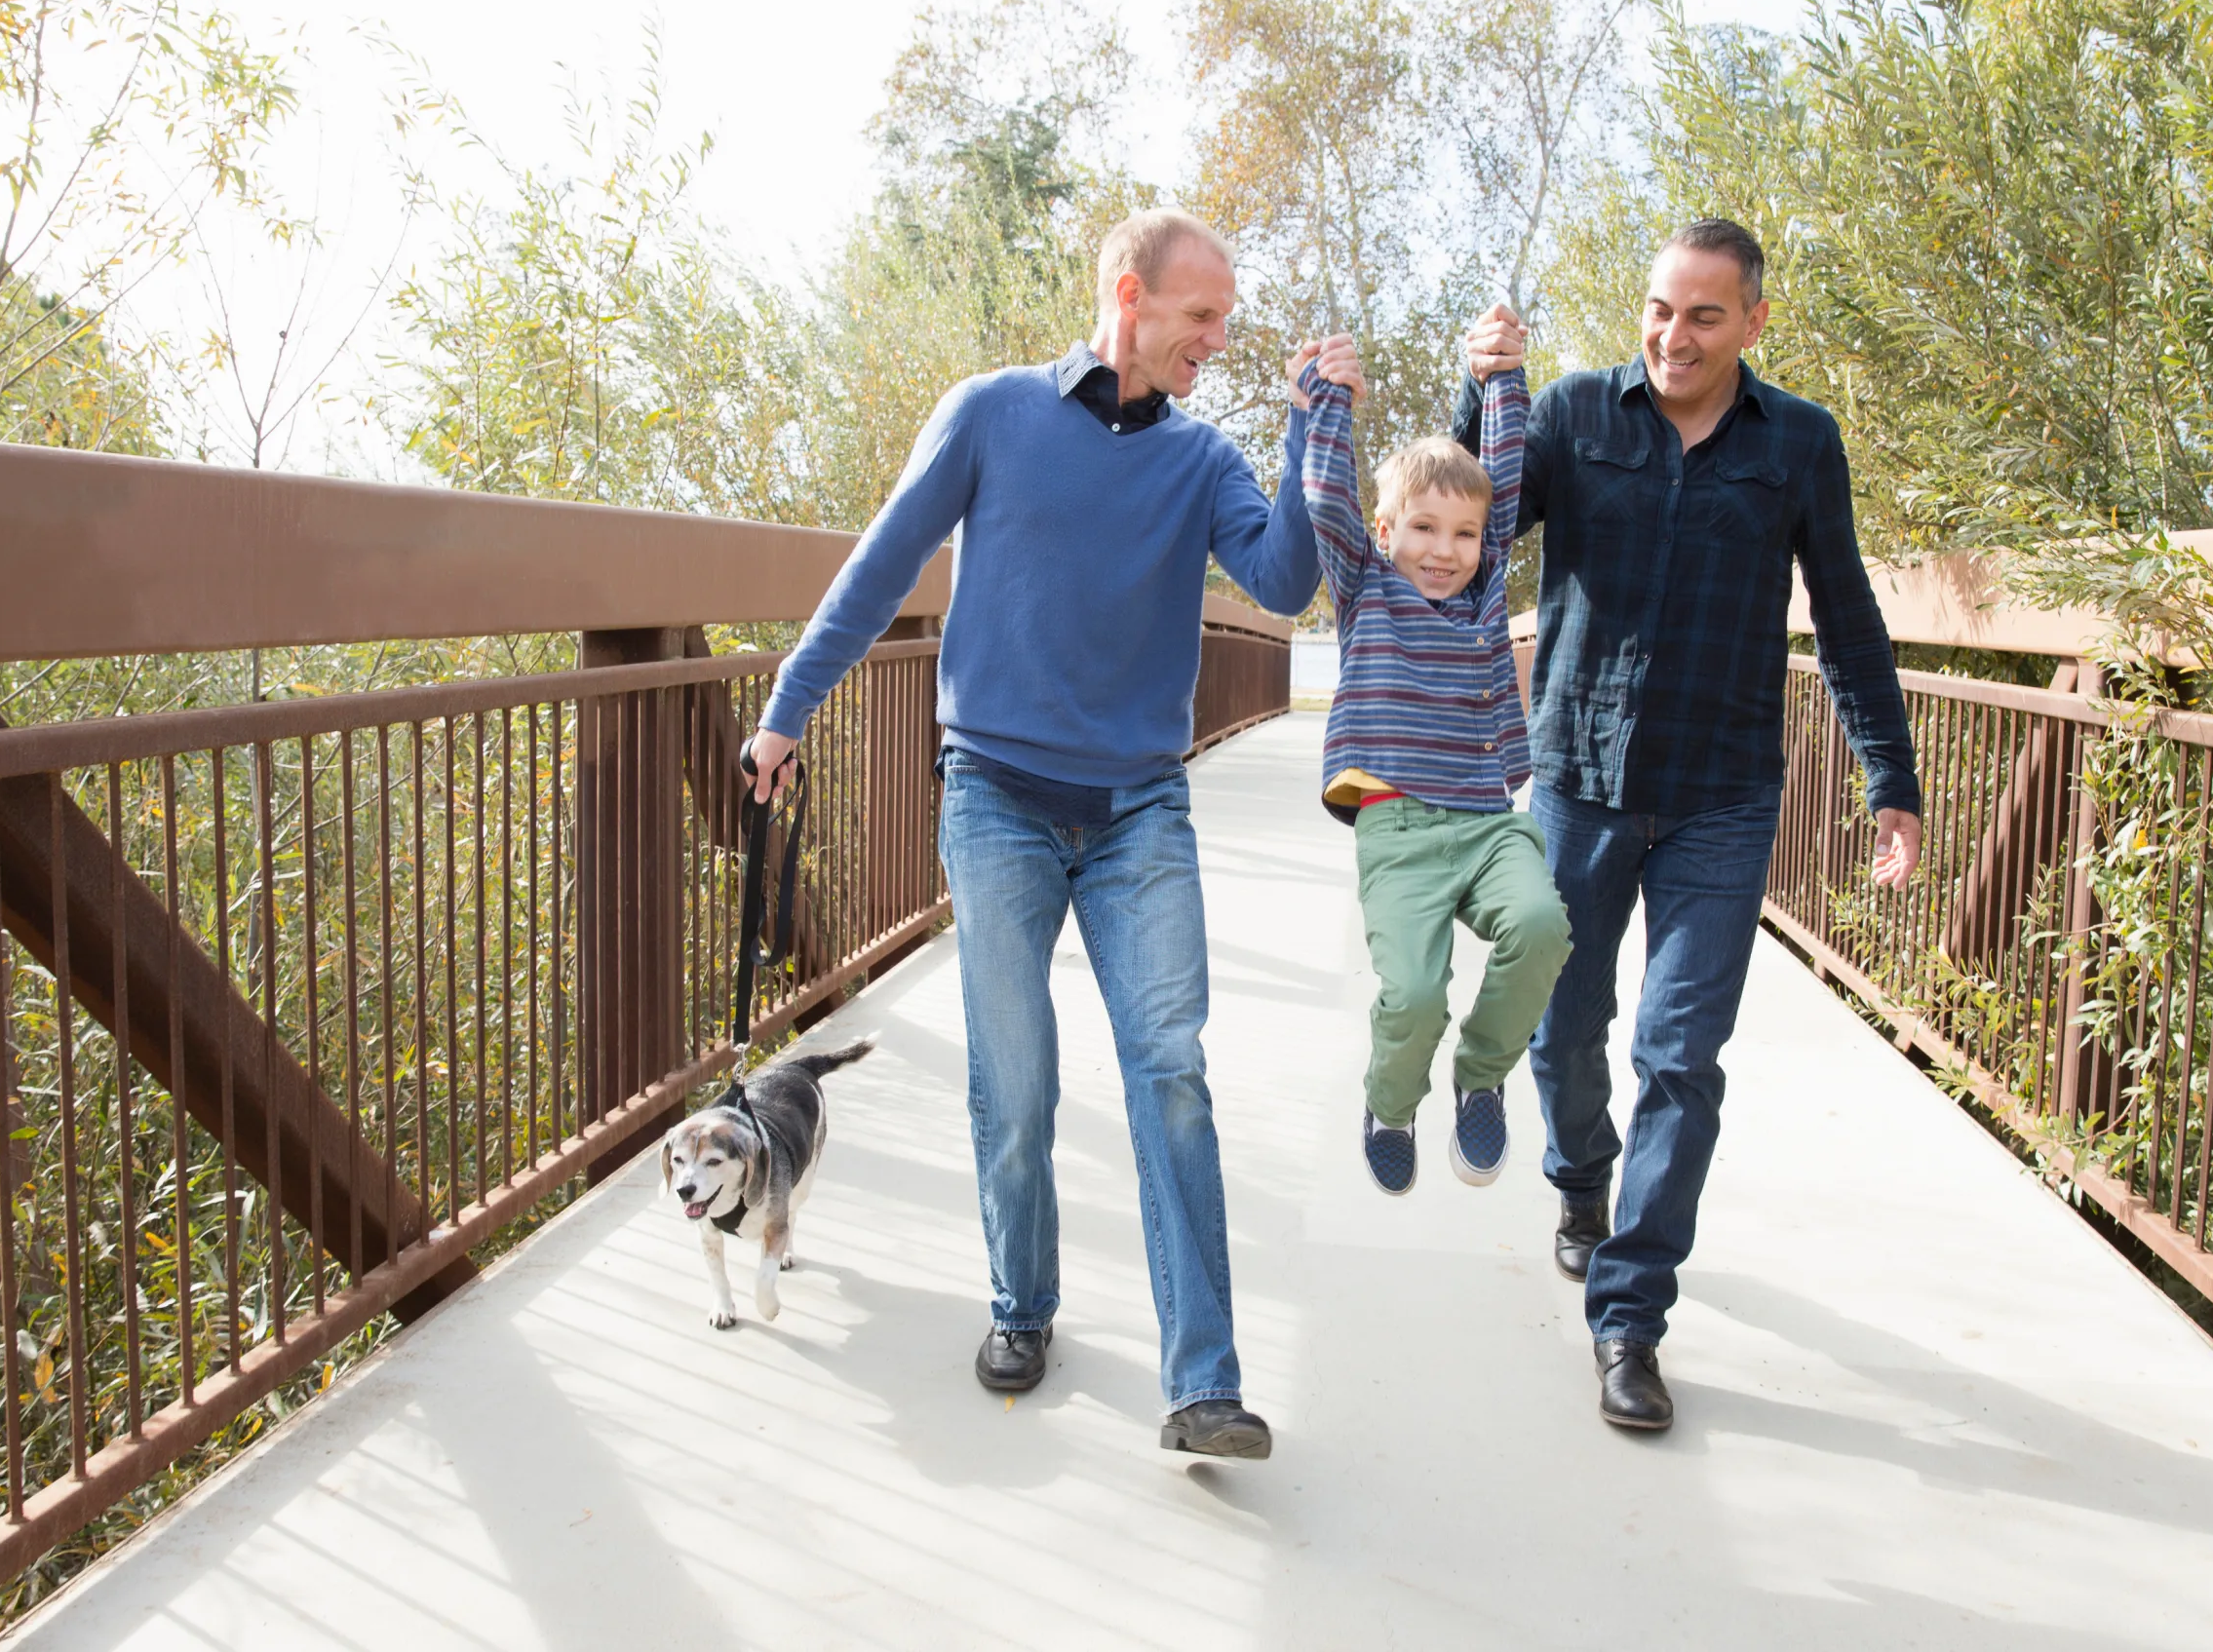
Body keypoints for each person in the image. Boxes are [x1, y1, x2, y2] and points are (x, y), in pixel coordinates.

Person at [744, 208, 1341, 1460]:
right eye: (1202, 318)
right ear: (1130, 296)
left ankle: (1204, 1384)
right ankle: (1023, 1305)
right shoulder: (990, 413)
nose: (1217, 342)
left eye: (1226, 322)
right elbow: (881, 564)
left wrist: (1310, 432)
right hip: (998, 798)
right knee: (1013, 1083)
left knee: (1168, 1076)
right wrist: (789, 708)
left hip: (1138, 810)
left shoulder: (1202, 460)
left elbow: (1286, 584)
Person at [1455, 219, 1922, 1432]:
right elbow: (1465, 539)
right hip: (1575, 782)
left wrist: (1892, 782)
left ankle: (1629, 1319)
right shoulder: (1568, 414)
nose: (1673, 335)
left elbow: (1850, 618)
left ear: (1753, 324)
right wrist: (1483, 396)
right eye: (1660, 310)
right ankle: (1578, 1178)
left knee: (1678, 1057)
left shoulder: (1800, 444)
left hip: (1721, 792)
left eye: (1704, 316)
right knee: (1562, 1033)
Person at [1294, 341, 1571, 1196]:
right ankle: (1390, 1102)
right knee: (1414, 996)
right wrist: (1332, 399)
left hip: (1488, 820)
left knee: (1542, 925)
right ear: (1386, 533)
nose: (1444, 551)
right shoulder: (1364, 586)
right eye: (1422, 528)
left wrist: (1504, 380)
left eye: (1462, 534)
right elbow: (1327, 499)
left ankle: (1481, 1078)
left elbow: (1507, 479)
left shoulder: (1486, 595)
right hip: (1400, 827)